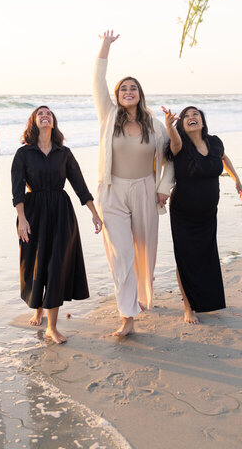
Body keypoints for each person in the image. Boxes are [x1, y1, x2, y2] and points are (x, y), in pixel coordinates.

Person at [93, 31, 174, 337]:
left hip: (145, 191)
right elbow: (97, 81)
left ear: (140, 93)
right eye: (124, 88)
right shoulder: (109, 115)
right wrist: (105, 47)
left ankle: (141, 296)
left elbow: (170, 159)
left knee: (144, 252)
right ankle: (127, 315)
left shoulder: (154, 124)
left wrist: (164, 187)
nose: (129, 91)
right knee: (121, 254)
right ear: (117, 94)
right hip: (112, 192)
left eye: (133, 88)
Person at [11, 105, 102, 344]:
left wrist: (94, 213)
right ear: (33, 122)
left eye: (48, 113)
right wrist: (21, 218)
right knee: (36, 265)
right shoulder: (24, 153)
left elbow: (79, 185)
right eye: (40, 114)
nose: (45, 116)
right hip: (33, 213)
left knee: (56, 266)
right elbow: (17, 189)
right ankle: (38, 308)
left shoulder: (64, 152)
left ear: (54, 122)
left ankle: (52, 326)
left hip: (61, 212)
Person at [163, 105, 242, 324]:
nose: (192, 118)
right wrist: (168, 126)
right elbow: (174, 142)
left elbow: (224, 158)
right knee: (185, 258)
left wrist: (236, 179)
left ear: (202, 120)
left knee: (206, 256)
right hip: (184, 212)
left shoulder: (215, 142)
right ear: (181, 124)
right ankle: (188, 307)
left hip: (208, 213)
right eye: (187, 116)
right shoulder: (180, 145)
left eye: (196, 115)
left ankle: (206, 300)